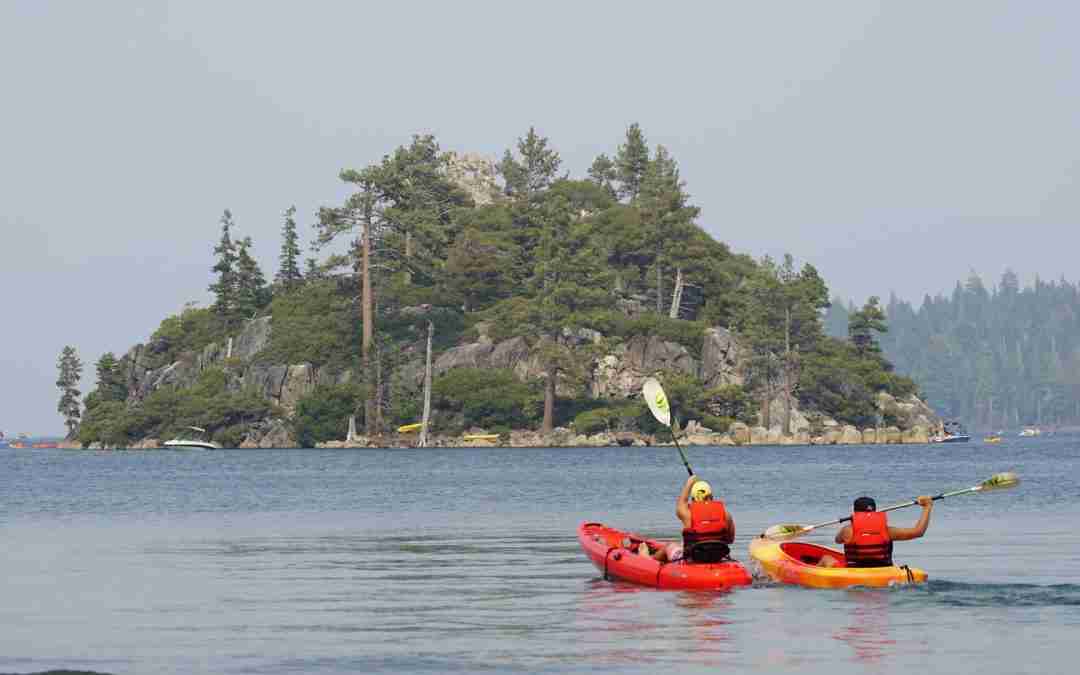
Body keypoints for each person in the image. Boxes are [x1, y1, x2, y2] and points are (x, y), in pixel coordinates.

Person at [638, 474, 735, 563]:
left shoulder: (688, 514)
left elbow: (681, 504)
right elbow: (730, 540)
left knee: (669, 546)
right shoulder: (725, 514)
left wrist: (689, 482)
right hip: (717, 557)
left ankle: (647, 559)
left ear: (693, 499)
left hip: (692, 559)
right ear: (711, 496)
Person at [832, 495, 934, 567]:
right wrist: (927, 507)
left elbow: (837, 540)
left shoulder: (847, 531)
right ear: (875, 511)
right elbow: (918, 532)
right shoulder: (887, 531)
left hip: (854, 571)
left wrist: (853, 521)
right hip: (884, 570)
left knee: (826, 559)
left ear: (854, 512)